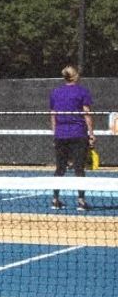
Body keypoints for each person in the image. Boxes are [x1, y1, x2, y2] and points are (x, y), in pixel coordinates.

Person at [50, 64, 95, 212]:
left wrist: (55, 132)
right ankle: (81, 201)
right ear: (75, 76)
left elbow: (53, 115)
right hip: (78, 134)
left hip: (61, 135)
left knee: (60, 168)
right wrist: (91, 134)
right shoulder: (82, 92)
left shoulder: (56, 92)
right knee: (79, 169)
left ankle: (55, 199)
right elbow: (87, 114)